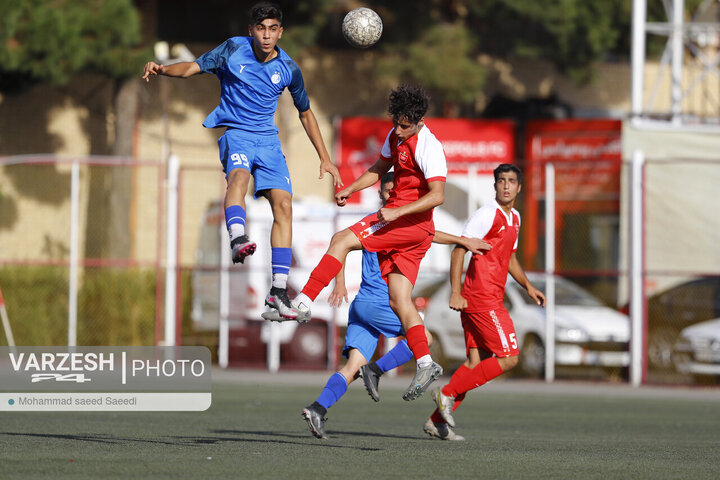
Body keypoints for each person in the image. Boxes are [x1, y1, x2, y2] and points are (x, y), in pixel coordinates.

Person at [141, 2, 341, 320]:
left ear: (280, 32)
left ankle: (277, 293)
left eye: (272, 29)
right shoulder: (233, 49)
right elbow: (192, 68)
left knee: (284, 206)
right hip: (237, 133)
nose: (266, 35)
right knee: (238, 180)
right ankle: (238, 237)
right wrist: (163, 69)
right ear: (251, 30)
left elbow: (305, 112)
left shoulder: (288, 68)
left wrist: (325, 158)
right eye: (260, 28)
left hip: (269, 142)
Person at [265, 85, 448, 402]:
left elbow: (438, 195)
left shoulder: (429, 146)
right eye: (397, 122)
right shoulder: (396, 137)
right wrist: (350, 189)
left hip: (408, 222)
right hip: (412, 228)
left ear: (419, 121)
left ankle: (303, 302)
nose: (399, 129)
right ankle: (425, 362)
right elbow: (379, 170)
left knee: (340, 239)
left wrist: (398, 211)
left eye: (406, 125)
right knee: (399, 301)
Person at [301, 172, 490, 439]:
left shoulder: (380, 223)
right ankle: (376, 370)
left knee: (352, 366)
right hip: (379, 301)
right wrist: (339, 282)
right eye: (388, 190)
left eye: (396, 190)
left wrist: (463, 240)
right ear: (382, 194)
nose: (392, 194)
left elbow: (430, 234)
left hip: (362, 305)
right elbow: (341, 243)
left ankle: (317, 408)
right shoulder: (386, 222)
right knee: (422, 337)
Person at [420, 163, 545, 440]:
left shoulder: (515, 218)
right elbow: (458, 251)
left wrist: (528, 287)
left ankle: (436, 421)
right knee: (510, 358)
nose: (506, 186)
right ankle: (445, 393)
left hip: (488, 297)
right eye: (501, 181)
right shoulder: (487, 214)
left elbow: (509, 258)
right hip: (482, 298)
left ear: (519, 187)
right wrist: (455, 291)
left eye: (511, 181)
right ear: (495, 185)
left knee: (475, 362)